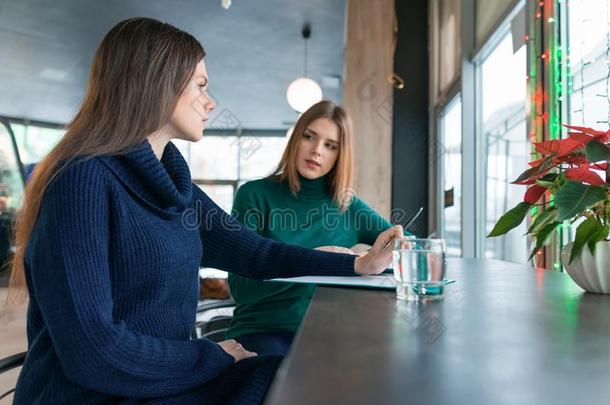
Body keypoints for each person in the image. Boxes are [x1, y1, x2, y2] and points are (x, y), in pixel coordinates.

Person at [7, 18, 402, 404]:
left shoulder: (175, 185)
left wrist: (357, 266)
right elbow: (93, 353)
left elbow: (255, 252)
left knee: (325, 379)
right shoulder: (81, 181)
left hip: (163, 381)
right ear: (154, 83)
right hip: (96, 394)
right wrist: (214, 356)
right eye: (199, 86)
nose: (210, 102)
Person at [227, 101, 410, 356]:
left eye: (330, 145)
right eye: (309, 136)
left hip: (332, 331)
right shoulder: (255, 195)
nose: (316, 151)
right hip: (263, 330)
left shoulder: (347, 206)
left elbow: (407, 242)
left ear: (340, 154)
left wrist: (391, 249)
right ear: (295, 139)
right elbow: (241, 289)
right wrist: (313, 260)